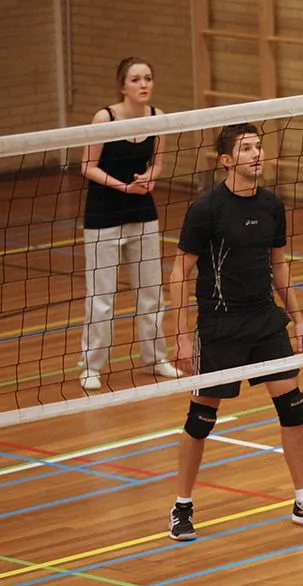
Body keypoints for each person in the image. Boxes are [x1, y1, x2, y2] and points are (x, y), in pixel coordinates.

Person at [166, 123, 303, 541]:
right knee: (201, 417)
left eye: (259, 147)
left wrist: (297, 317)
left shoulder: (271, 205)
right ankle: (182, 506)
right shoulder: (206, 209)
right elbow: (178, 272)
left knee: (294, 407)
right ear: (226, 160)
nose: (256, 154)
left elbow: (278, 264)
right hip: (221, 322)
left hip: (265, 318)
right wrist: (179, 335)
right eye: (246, 149)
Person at [78, 56, 181, 392]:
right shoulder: (104, 118)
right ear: (122, 86)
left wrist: (149, 179)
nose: (143, 85)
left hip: (142, 215)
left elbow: (159, 164)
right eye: (136, 80)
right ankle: (91, 366)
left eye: (148, 78)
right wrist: (124, 187)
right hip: (103, 217)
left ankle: (154, 358)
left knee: (151, 292)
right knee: (101, 296)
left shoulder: (157, 118)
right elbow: (88, 166)